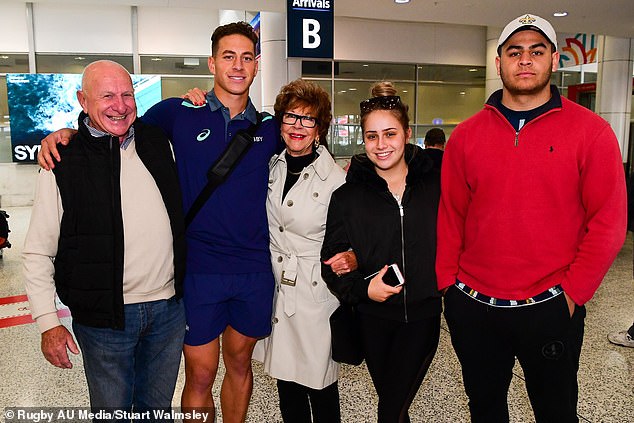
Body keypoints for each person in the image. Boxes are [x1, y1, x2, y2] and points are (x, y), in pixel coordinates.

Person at [39, 22, 354, 423]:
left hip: (253, 271)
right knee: (200, 375)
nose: (237, 66)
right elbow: (115, 123)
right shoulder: (177, 113)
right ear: (212, 62)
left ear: (257, 65)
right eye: (228, 56)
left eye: (246, 58)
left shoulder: (271, 129)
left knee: (241, 367)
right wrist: (66, 132)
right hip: (198, 271)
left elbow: (311, 153)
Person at [436, 13, 627, 423]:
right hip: (474, 306)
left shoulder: (591, 132)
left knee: (556, 411)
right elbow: (451, 215)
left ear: (554, 60)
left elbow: (609, 222)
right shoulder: (466, 136)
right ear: (498, 62)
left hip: (551, 306)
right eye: (515, 52)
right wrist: (448, 289)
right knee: (485, 411)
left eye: (536, 51)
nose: (525, 60)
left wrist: (573, 295)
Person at [23, 60, 186, 417]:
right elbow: (37, 251)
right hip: (104, 322)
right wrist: (48, 323)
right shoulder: (62, 161)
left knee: (155, 410)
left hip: (168, 313)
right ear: (83, 100)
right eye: (107, 95)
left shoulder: (157, 142)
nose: (120, 105)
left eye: (127, 94)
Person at [321, 82, 442, 423]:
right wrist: (364, 288)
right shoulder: (347, 198)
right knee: (394, 405)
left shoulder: (436, 185)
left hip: (422, 316)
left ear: (406, 133)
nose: (381, 144)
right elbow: (331, 264)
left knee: (389, 410)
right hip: (372, 320)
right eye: (372, 136)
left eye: (389, 133)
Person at [252, 79, 347, 422]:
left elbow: (351, 238)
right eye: (291, 117)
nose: (298, 126)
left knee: (320, 387)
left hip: (314, 296)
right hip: (277, 290)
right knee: (287, 387)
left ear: (319, 129)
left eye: (308, 120)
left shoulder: (335, 180)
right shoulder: (271, 167)